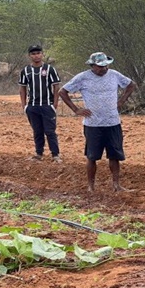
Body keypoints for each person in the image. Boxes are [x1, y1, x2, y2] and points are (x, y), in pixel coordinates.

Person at [59, 52, 136, 192]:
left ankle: (116, 185)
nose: (103, 69)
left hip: (112, 122)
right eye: (100, 66)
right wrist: (76, 109)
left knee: (114, 155)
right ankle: (91, 186)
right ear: (92, 65)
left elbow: (131, 85)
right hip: (93, 124)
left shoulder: (114, 75)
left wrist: (122, 101)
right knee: (92, 156)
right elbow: (63, 92)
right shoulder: (83, 77)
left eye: (105, 65)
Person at [19, 45, 62, 162]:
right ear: (29, 56)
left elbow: (56, 87)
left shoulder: (50, 69)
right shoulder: (25, 71)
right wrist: (24, 106)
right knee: (37, 131)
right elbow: (22, 88)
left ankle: (55, 154)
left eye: (38, 53)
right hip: (32, 106)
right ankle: (39, 153)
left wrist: (55, 105)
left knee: (50, 131)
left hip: (47, 105)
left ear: (42, 54)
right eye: (33, 54)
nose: (36, 56)